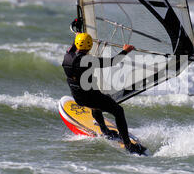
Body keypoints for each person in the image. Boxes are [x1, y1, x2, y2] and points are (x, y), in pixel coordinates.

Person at [62, 26, 146, 155]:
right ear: (90, 47)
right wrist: (125, 51)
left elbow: (73, 47)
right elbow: (113, 61)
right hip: (91, 97)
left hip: (79, 98)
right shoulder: (89, 61)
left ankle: (105, 130)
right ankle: (128, 144)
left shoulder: (67, 57)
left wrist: (78, 35)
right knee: (118, 111)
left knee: (96, 104)